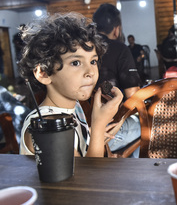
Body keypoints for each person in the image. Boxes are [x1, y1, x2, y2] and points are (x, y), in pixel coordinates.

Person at [18, 12, 123, 157]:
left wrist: (95, 136)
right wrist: (98, 128)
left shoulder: (75, 107)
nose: (90, 72)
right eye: (76, 63)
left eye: (93, 61)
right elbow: (84, 178)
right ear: (43, 73)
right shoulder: (47, 127)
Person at [92, 3, 141, 157]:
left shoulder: (81, 47)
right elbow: (134, 97)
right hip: (106, 134)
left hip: (79, 130)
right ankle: (136, 174)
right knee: (150, 125)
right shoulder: (119, 49)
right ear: (116, 29)